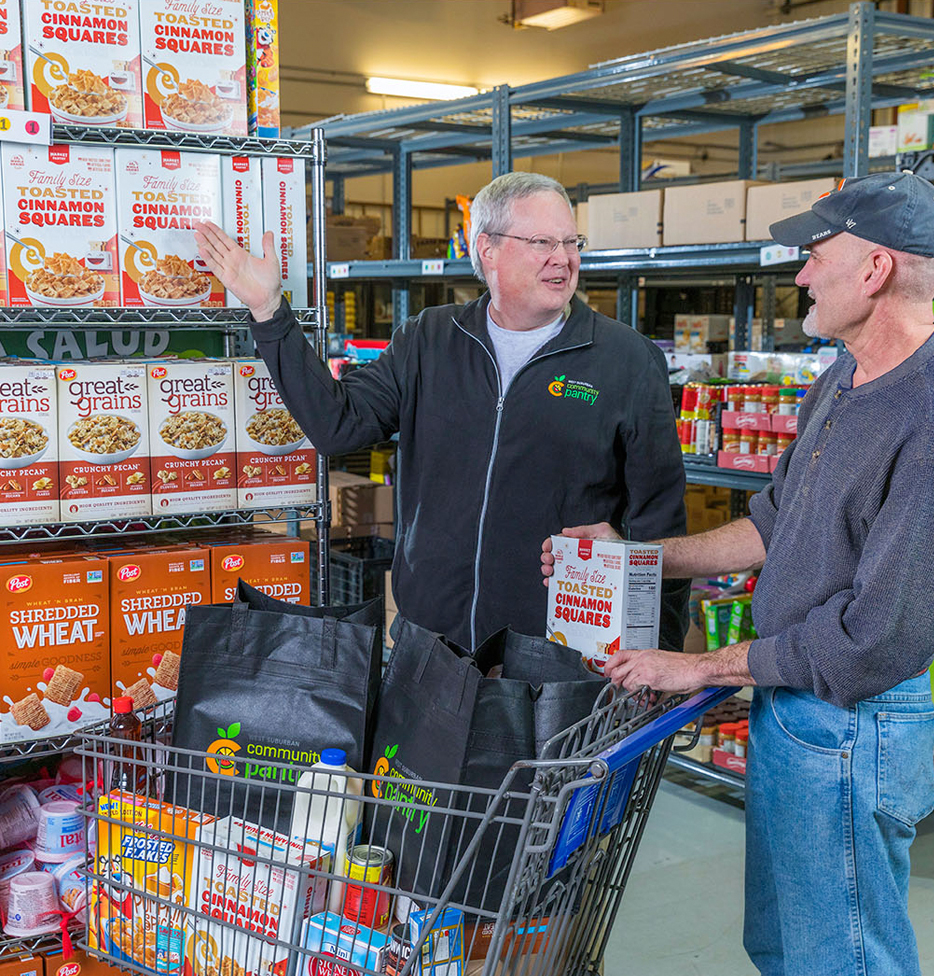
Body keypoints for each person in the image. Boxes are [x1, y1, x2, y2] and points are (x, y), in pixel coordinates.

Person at [541, 172, 934, 976]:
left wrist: (700, 668)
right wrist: (632, 556)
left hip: (852, 728)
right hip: (793, 709)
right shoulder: (844, 379)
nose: (799, 275)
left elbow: (874, 640)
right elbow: (772, 524)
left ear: (874, 269)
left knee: (846, 973)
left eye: (815, 254)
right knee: (786, 952)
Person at [194, 171, 688, 651]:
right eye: (542, 242)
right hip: (430, 647)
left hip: (557, 658)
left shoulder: (627, 360)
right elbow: (338, 426)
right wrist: (269, 311)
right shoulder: (428, 340)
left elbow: (658, 521)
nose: (563, 259)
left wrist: (659, 652)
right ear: (487, 249)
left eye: (571, 241)